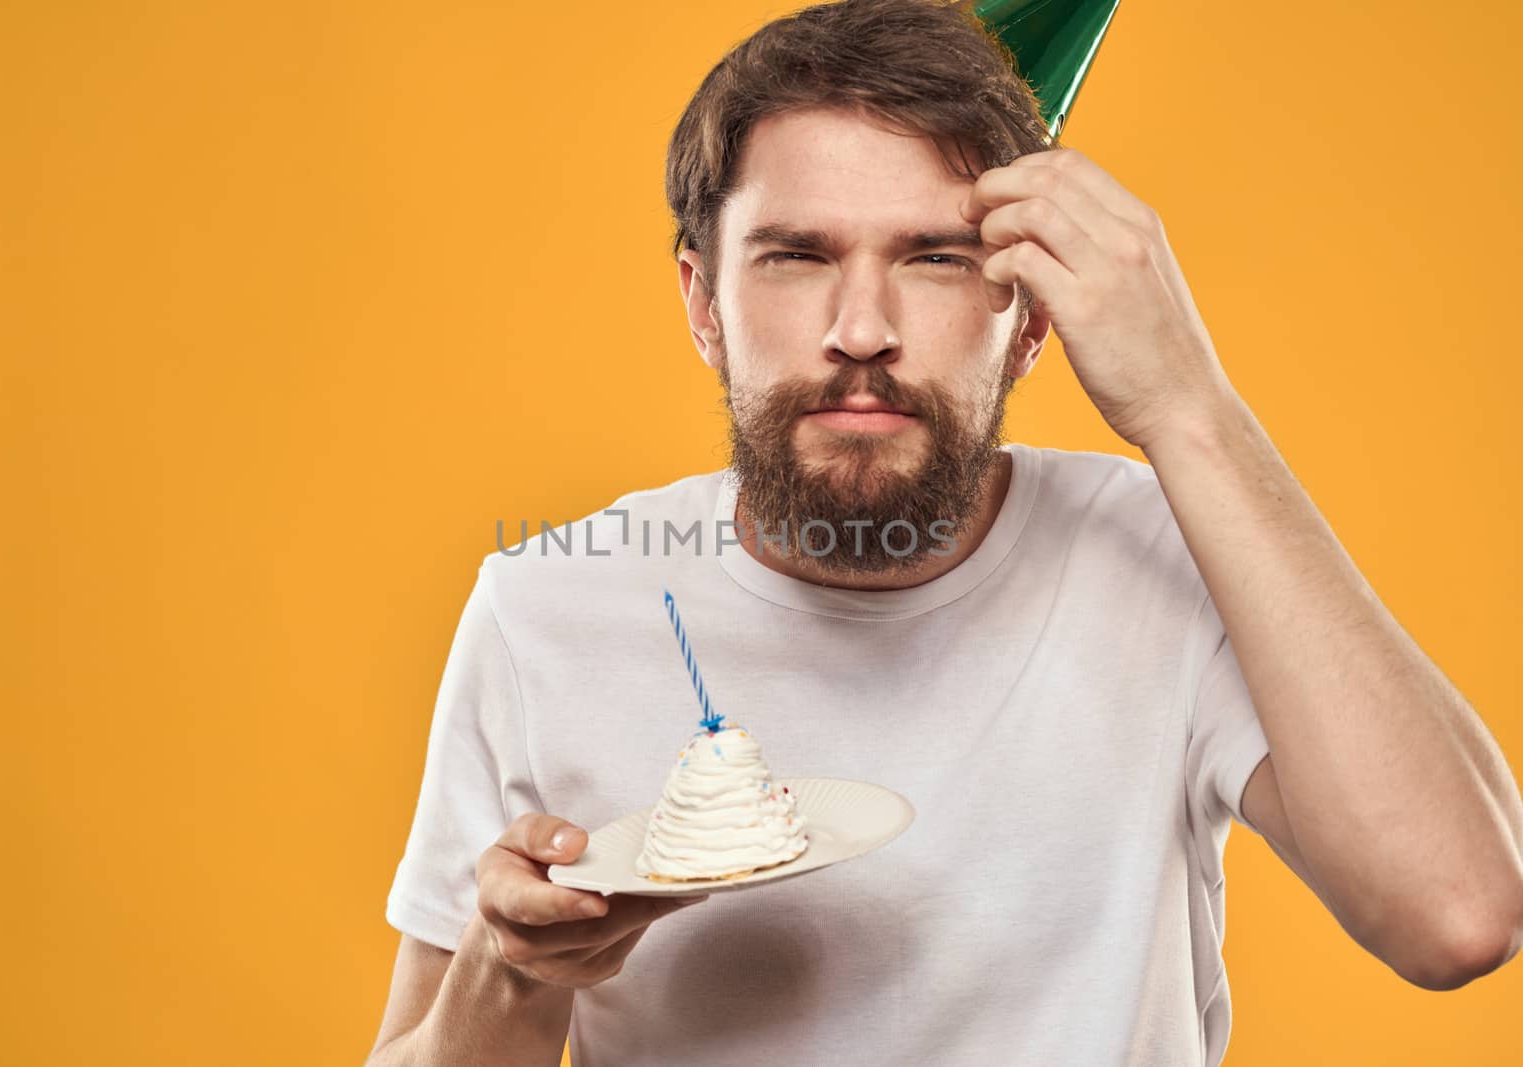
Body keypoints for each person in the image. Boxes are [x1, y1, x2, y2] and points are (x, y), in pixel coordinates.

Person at [363, 1, 1523, 1064]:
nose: (861, 328)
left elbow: (1459, 914)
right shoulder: (548, 607)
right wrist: (510, 969)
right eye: (797, 255)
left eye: (935, 258)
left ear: (1028, 322)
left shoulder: (1163, 553)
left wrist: (1188, 406)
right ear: (700, 302)